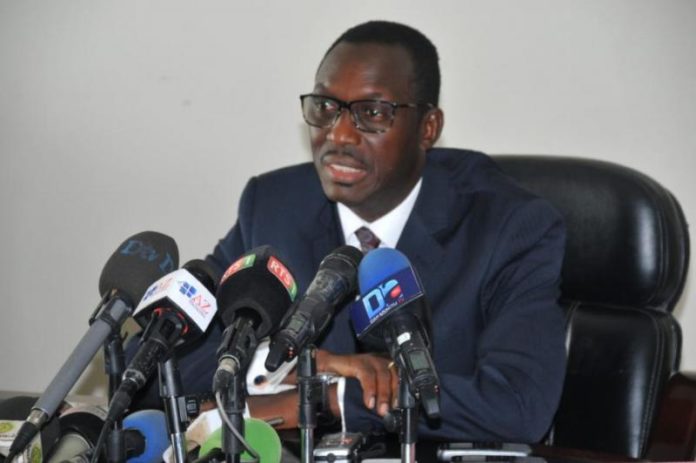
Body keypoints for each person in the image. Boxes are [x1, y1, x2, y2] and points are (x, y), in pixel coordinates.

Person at [149, 20, 567, 443]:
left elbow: (520, 404)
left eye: (373, 113)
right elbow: (155, 364)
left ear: (428, 128)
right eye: (325, 107)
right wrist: (318, 364)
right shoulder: (273, 207)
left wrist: (326, 399)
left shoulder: (508, 226)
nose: (339, 134)